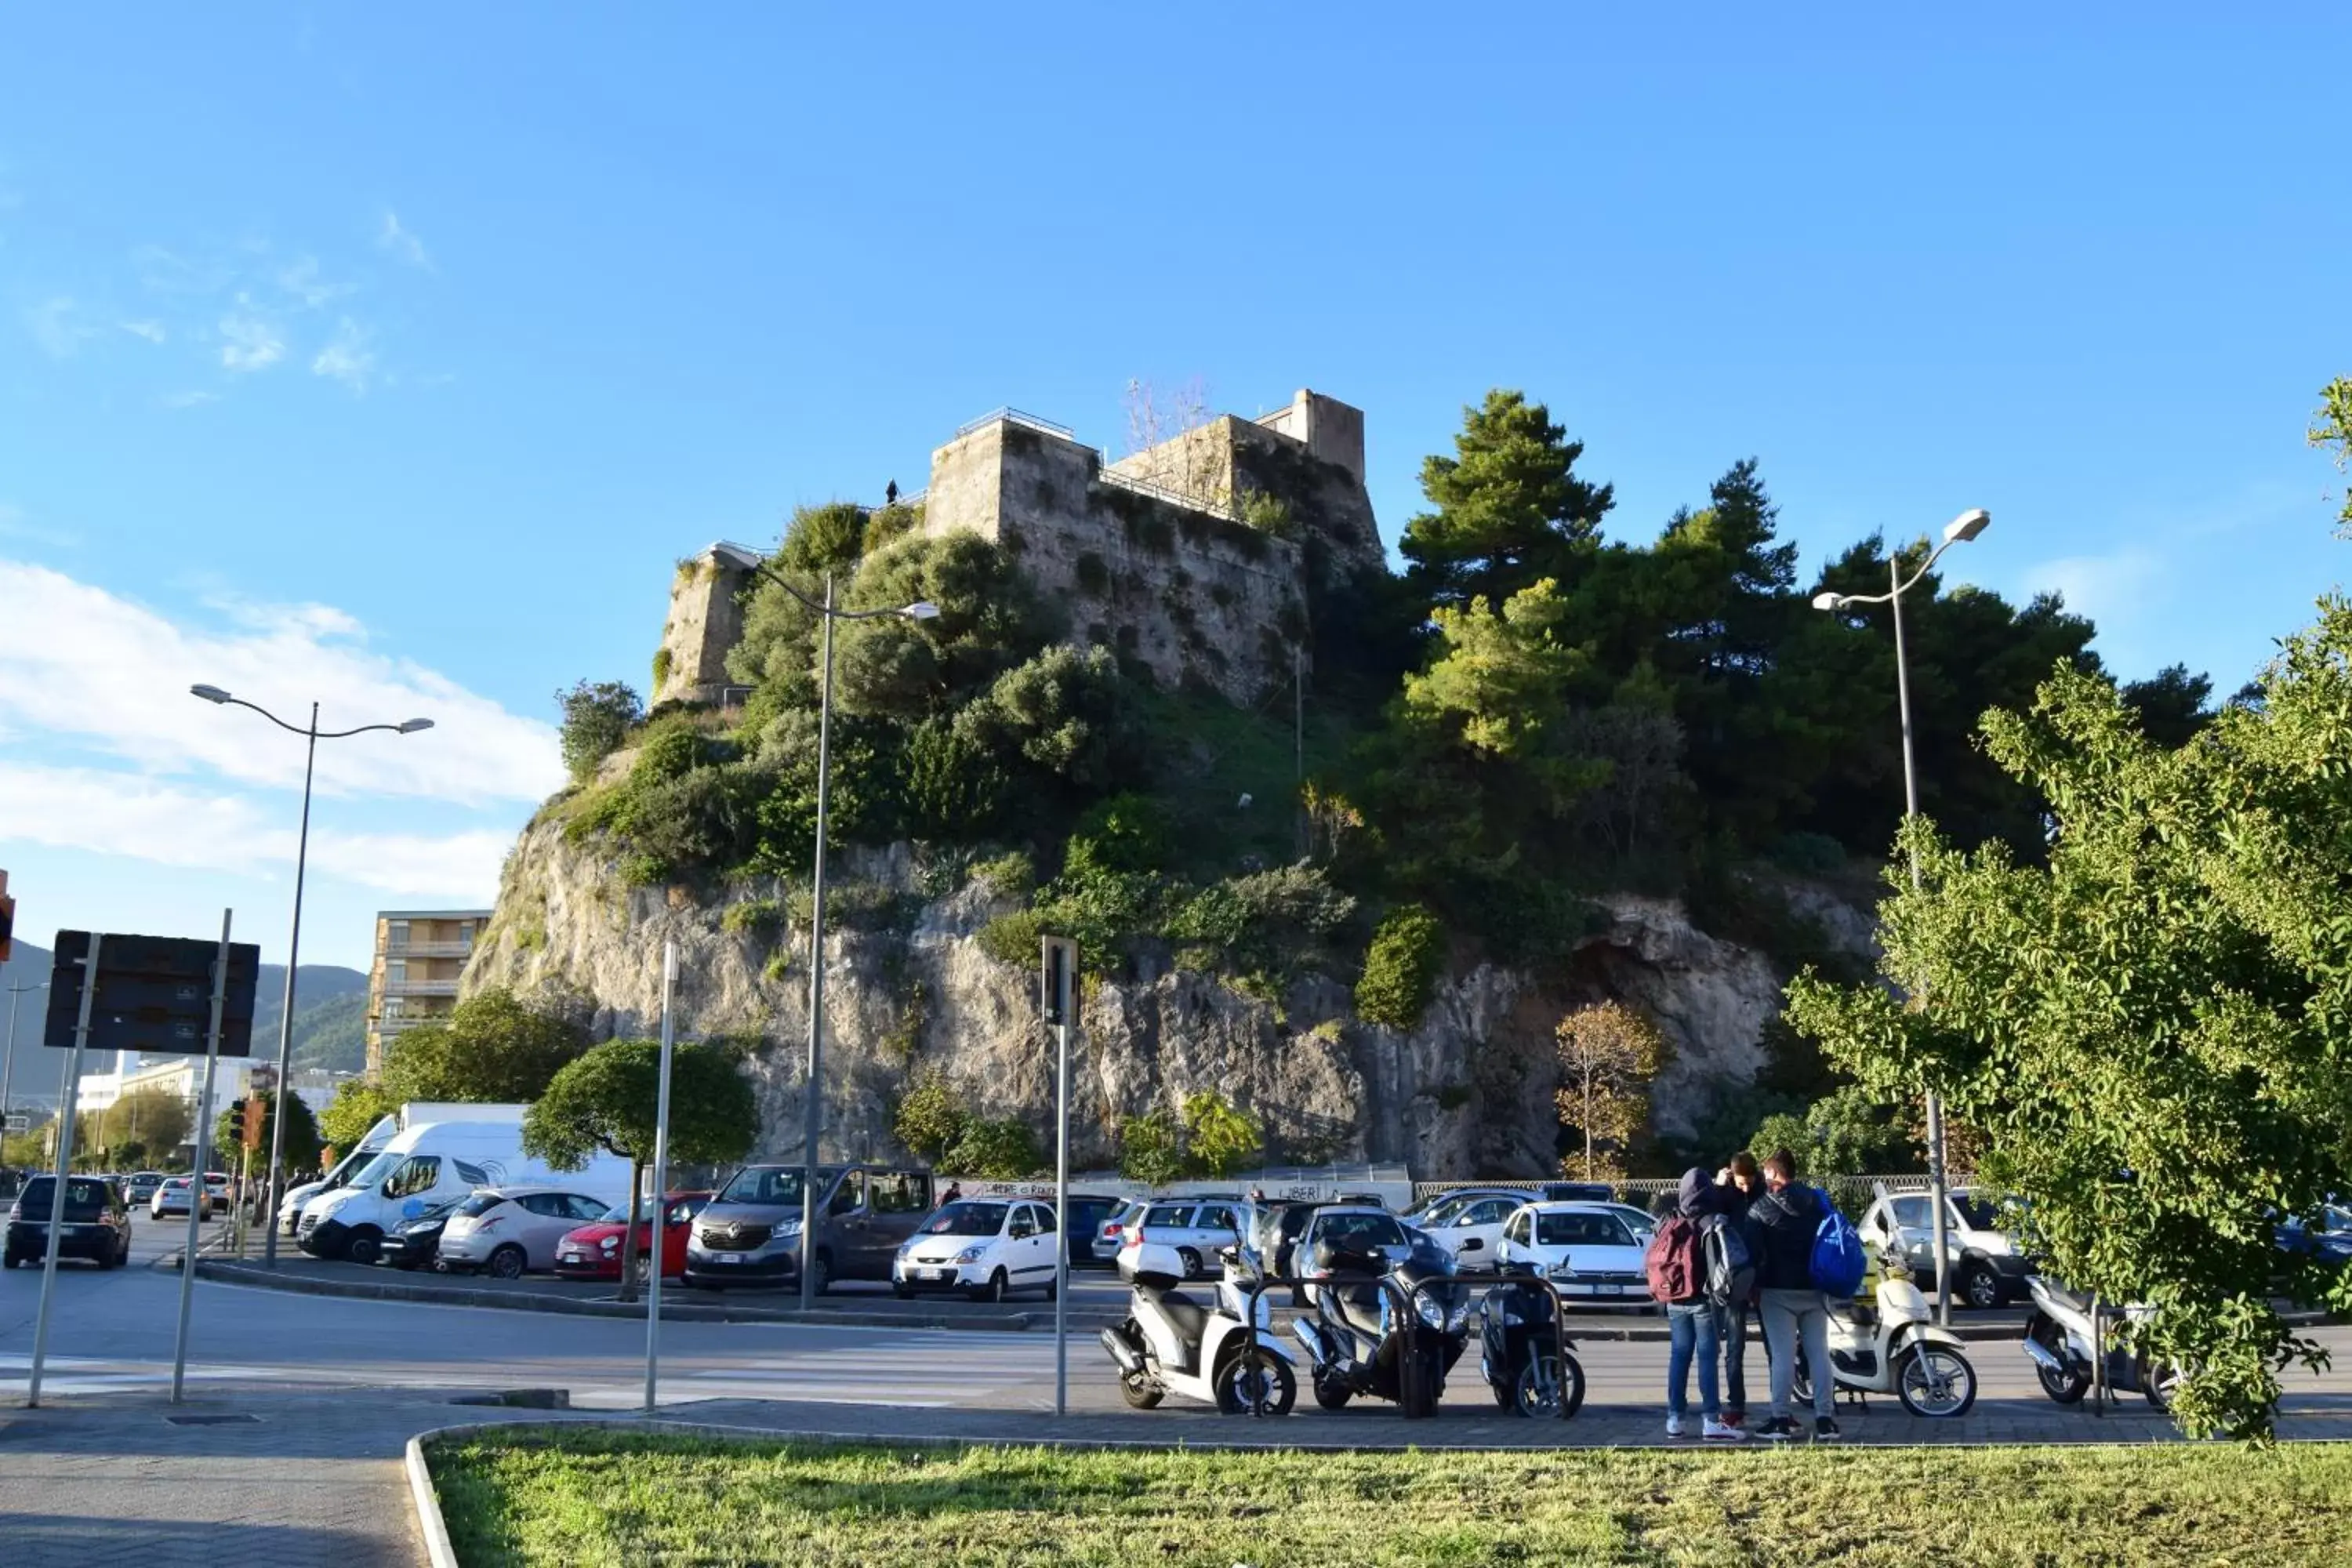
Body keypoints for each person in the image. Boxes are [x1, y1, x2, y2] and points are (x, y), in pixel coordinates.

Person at [1751, 1147, 1840, 1442]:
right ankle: (1826, 1420)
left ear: (1775, 1174)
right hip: (1815, 1288)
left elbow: (1751, 1251)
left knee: (1783, 1357)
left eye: (1766, 1174)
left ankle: (1780, 1420)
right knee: (1819, 1355)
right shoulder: (1816, 1200)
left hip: (1777, 1292)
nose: (1763, 1179)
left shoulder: (1762, 1207)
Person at [1661, 1168, 1744, 1441]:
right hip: (1703, 1301)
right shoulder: (1711, 1221)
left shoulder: (1670, 1220)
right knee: (1708, 1358)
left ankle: (1675, 1418)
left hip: (1674, 1299)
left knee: (1679, 1356)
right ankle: (1711, 1419)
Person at [1716, 1152, 1764, 1429]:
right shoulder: (1727, 1193)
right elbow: (1710, 1211)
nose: (1744, 1188)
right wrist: (1721, 1187)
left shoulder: (1763, 1192)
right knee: (1735, 1346)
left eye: (1748, 1183)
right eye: (1740, 1183)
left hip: (1759, 1275)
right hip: (1734, 1279)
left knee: (1774, 1346)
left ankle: (1780, 1407)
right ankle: (1736, 1405)